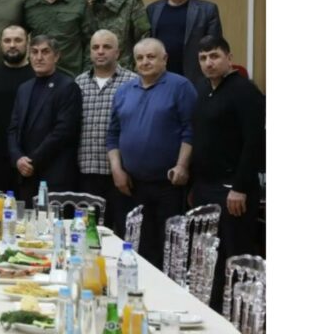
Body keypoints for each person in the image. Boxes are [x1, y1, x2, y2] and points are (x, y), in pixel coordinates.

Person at [106, 38, 197, 268]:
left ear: (164, 59)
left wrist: (182, 165)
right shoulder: (124, 91)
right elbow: (113, 134)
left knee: (169, 249)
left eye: (151, 57)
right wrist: (116, 170)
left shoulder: (181, 87)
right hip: (132, 185)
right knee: (138, 248)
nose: (145, 62)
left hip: (168, 185)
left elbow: (191, 130)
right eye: (140, 58)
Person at [191, 36, 265, 309]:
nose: (208, 63)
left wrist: (240, 187)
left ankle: (241, 314)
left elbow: (255, 143)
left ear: (229, 58)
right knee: (211, 254)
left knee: (235, 256)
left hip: (233, 189)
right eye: (203, 58)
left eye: (214, 56)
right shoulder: (203, 89)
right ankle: (213, 312)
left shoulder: (245, 91)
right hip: (205, 186)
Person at [74, 29, 137, 236]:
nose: (100, 51)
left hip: (120, 173)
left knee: (122, 234)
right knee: (88, 234)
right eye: (95, 47)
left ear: (118, 52)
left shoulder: (133, 82)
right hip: (86, 171)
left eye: (106, 47)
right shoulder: (78, 83)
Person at [7, 35, 82, 203]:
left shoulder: (68, 87)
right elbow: (13, 128)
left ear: (56, 56)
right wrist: (17, 158)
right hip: (25, 174)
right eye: (34, 52)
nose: (39, 57)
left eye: (45, 52)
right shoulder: (24, 88)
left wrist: (32, 161)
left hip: (54, 175)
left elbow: (63, 132)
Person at [0, 26, 35, 192]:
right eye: (7, 40)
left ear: (27, 44)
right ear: (0, 44)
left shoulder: (37, 74)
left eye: (18, 40)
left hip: (30, 159)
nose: (12, 45)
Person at [146, 0, 223, 84]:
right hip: (160, 75)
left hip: (195, 76)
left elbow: (214, 46)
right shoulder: (152, 9)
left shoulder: (207, 10)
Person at [24, 0, 94, 77]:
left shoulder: (80, 4)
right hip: (38, 75)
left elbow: (91, 41)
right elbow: (20, 37)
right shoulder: (30, 5)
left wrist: (87, 73)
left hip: (71, 75)